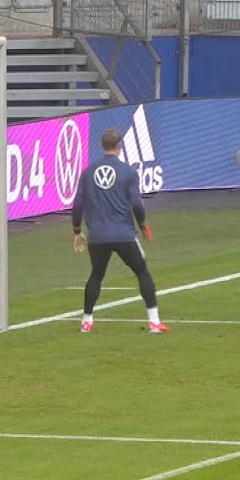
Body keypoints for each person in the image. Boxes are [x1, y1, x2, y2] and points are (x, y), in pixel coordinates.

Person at [71, 128, 169, 334]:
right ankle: (154, 321)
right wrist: (143, 225)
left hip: (97, 236)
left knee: (96, 274)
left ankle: (86, 321)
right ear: (119, 146)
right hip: (124, 234)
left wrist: (77, 230)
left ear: (102, 145)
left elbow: (77, 203)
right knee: (142, 271)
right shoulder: (128, 172)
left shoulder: (88, 172)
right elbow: (136, 203)